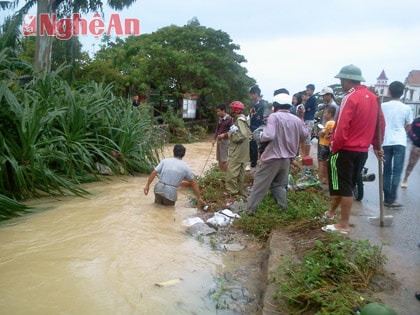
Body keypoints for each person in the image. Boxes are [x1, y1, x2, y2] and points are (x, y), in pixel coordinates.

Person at [321, 64, 385, 234]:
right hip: (362, 151)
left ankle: (343, 224)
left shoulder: (350, 97)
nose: (341, 83)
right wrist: (377, 146)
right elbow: (381, 125)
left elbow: (342, 126)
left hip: (346, 149)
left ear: (347, 80)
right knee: (345, 184)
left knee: (343, 186)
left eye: (342, 80)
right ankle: (331, 213)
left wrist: (335, 147)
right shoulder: (373, 98)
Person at [245, 92, 308, 215]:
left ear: (275, 105)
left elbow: (269, 135)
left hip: (272, 158)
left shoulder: (274, 117)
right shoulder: (296, 119)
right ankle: (282, 209)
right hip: (286, 160)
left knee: (260, 185)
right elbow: (305, 135)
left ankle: (249, 211)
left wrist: (259, 135)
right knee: (278, 186)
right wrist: (301, 117)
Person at [381, 81, 413, 208]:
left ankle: (386, 198)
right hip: (400, 141)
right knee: (397, 171)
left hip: (385, 141)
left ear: (389, 91)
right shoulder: (406, 108)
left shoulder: (382, 106)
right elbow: (409, 126)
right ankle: (392, 200)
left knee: (386, 171)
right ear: (402, 92)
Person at [225, 101, 250, 196]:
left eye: (232, 109)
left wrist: (231, 135)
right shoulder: (244, 119)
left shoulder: (239, 120)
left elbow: (242, 135)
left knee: (232, 171)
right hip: (243, 151)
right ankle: (239, 191)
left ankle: (232, 191)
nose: (230, 111)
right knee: (240, 171)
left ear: (235, 110)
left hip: (237, 150)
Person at [248, 86, 266, 170]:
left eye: (251, 94)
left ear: (255, 94)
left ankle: (254, 163)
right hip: (252, 125)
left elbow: (259, 117)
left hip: (257, 126)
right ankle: (252, 160)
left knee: (255, 145)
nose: (250, 96)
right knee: (251, 144)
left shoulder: (261, 105)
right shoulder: (253, 105)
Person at [317, 106, 336, 185]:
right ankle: (327, 179)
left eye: (325, 113)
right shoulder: (334, 123)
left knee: (321, 162)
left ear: (330, 114)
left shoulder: (328, 123)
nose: (324, 115)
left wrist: (319, 132)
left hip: (323, 144)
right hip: (329, 145)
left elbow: (322, 133)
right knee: (327, 164)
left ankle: (320, 179)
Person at [212, 104, 233, 172]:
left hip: (225, 141)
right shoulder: (220, 119)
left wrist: (224, 135)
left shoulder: (229, 119)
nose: (217, 113)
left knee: (224, 159)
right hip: (219, 140)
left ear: (223, 111)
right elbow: (217, 129)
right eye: (217, 112)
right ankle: (219, 174)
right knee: (219, 158)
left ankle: (224, 175)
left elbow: (232, 131)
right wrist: (214, 139)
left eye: (218, 111)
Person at [401, 116, 420, 188]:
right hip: (416, 146)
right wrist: (414, 138)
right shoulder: (416, 121)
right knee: (411, 163)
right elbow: (410, 131)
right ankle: (405, 178)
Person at [302, 84, 317, 157]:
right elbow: (306, 108)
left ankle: (306, 156)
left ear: (312, 90)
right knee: (305, 138)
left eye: (308, 90)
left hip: (309, 119)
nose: (307, 92)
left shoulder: (312, 98)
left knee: (307, 138)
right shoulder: (310, 98)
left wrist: (305, 103)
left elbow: (305, 107)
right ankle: (304, 155)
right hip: (307, 119)